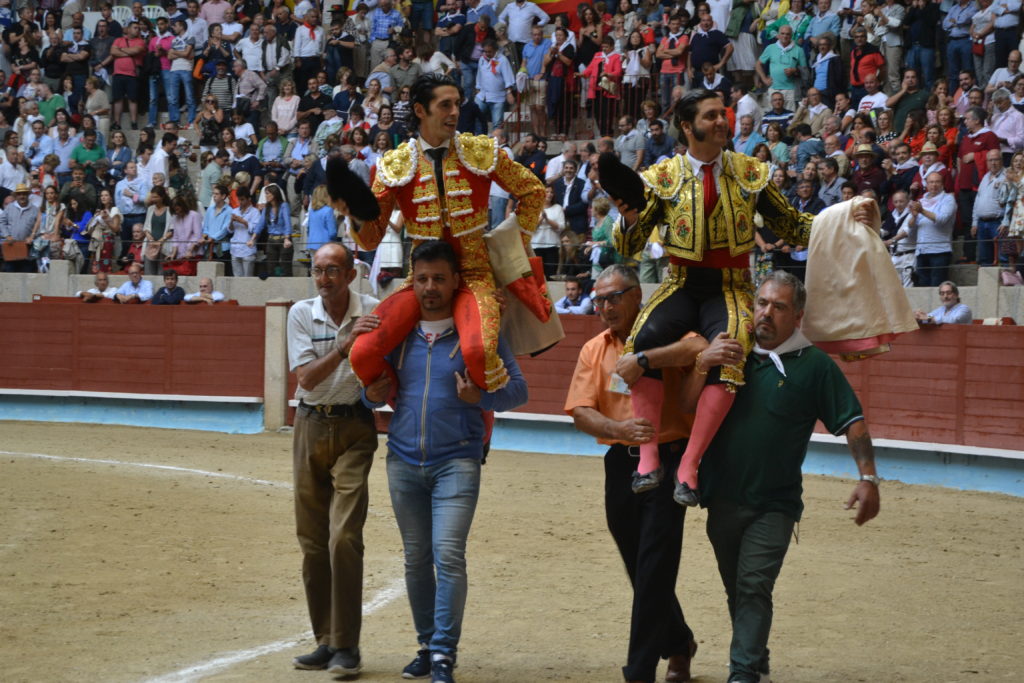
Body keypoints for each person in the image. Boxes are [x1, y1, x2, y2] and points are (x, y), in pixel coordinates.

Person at [601, 89, 852, 505]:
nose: (722, 121)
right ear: (687, 125)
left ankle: (689, 466)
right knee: (642, 339)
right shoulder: (661, 177)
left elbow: (795, 227)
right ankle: (647, 459)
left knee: (732, 348)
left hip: (731, 285)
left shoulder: (751, 172)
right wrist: (628, 219)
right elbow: (626, 246)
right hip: (680, 282)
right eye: (712, 115)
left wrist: (845, 216)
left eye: (724, 114)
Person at [700, 270, 880, 683]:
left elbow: (853, 422)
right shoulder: (732, 352)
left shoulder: (814, 366)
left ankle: (743, 673)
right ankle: (756, 656)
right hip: (721, 498)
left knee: (752, 587)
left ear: (797, 316)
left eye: (778, 307)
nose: (766, 312)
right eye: (762, 303)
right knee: (739, 589)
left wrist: (868, 478)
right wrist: (701, 360)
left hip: (774, 504)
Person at [361, 240, 527, 683]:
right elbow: (372, 388)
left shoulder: (480, 334)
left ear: (456, 281)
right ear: (410, 282)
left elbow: (519, 391)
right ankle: (426, 643)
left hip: (457, 461)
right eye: (421, 279)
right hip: (402, 460)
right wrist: (369, 394)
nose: (430, 287)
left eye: (439, 278)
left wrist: (482, 397)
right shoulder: (397, 337)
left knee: (448, 554)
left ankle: (442, 653)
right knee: (416, 558)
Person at [338, 73, 547, 395]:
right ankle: (405, 403)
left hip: (475, 274)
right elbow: (370, 239)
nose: (454, 113)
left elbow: (533, 191)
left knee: (478, 353)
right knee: (362, 353)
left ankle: (477, 422)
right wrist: (353, 213)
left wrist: (510, 243)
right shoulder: (395, 164)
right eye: (445, 105)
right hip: (422, 278)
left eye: (457, 105)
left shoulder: (480, 151)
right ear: (421, 110)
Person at [566, 264, 725, 683]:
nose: (604, 307)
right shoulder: (594, 349)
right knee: (638, 564)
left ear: (638, 295)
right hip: (620, 462)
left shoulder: (666, 328)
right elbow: (581, 410)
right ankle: (679, 641)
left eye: (613, 297)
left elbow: (700, 346)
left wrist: (644, 358)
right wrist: (615, 429)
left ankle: (639, 671)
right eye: (598, 299)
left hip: (668, 458)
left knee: (655, 562)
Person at [287, 242, 381, 676]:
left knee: (343, 536)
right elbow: (305, 377)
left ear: (351, 273)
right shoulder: (302, 313)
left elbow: (388, 372)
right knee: (311, 541)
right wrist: (345, 346)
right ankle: (324, 639)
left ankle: (347, 646)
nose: (324, 279)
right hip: (309, 425)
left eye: (332, 271)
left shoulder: (374, 310)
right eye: (318, 271)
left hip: (355, 428)